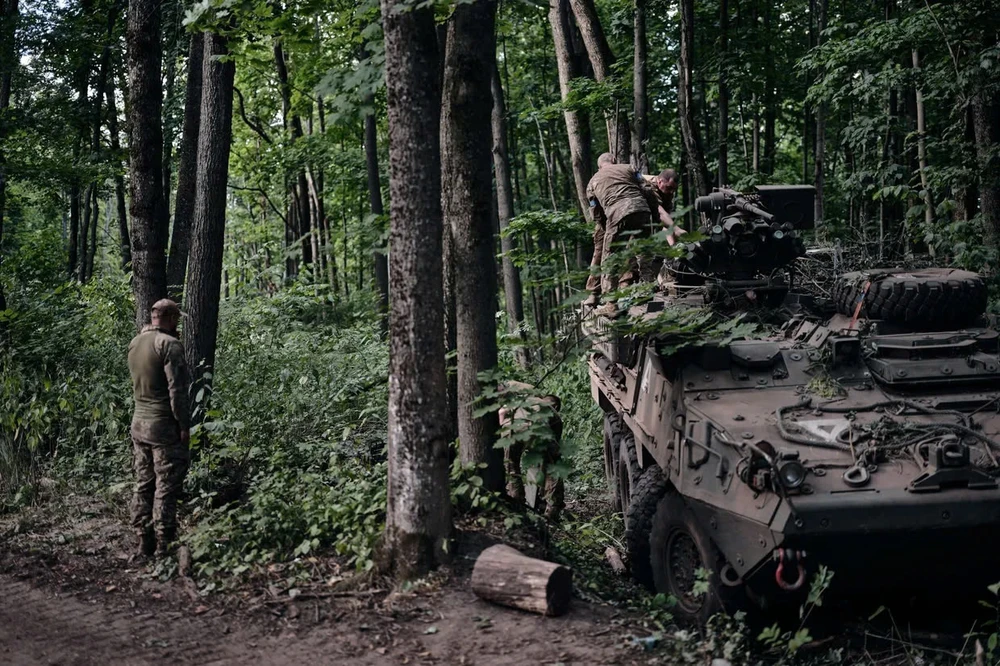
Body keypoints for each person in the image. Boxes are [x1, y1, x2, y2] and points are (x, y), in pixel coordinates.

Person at [127, 298, 191, 560]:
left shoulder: (135, 343)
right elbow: (177, 391)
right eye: (176, 318)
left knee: (144, 484)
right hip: (163, 426)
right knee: (165, 486)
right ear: (171, 318)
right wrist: (184, 425)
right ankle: (165, 545)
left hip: (139, 425)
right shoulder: (169, 345)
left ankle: (144, 542)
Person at [584, 153, 661, 314]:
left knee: (610, 258)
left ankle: (611, 304)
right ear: (613, 161)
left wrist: (606, 228)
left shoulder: (592, 182)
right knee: (644, 252)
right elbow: (647, 188)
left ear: (600, 166)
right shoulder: (630, 168)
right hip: (642, 210)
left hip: (617, 214)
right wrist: (654, 214)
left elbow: (595, 210)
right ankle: (648, 290)